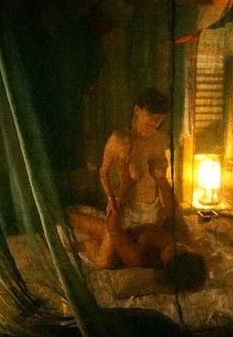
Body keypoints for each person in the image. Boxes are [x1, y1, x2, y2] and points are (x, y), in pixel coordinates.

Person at [70, 87, 197, 272]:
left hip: (153, 213)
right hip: (126, 209)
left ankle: (84, 228)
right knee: (105, 261)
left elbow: (162, 182)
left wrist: (174, 215)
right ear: (137, 110)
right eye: (151, 116)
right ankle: (73, 223)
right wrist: (111, 199)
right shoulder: (120, 140)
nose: (155, 123)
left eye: (160, 118)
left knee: (122, 253)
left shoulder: (160, 140)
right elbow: (103, 171)